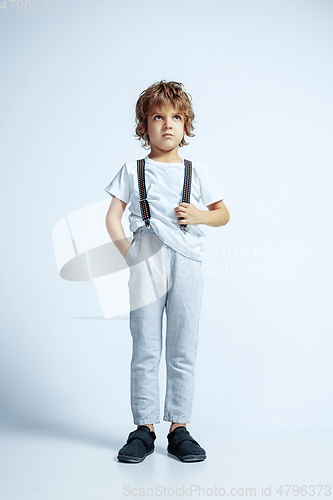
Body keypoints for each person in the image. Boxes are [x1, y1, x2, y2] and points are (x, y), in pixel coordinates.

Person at [105, 80, 230, 463]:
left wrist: (200, 216)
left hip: (187, 263)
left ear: (186, 124)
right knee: (145, 346)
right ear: (145, 125)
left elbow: (223, 214)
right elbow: (112, 219)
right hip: (147, 260)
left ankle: (179, 428)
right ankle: (144, 428)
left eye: (176, 117)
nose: (167, 124)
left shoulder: (197, 170)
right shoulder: (133, 169)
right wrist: (132, 256)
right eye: (158, 117)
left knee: (182, 347)